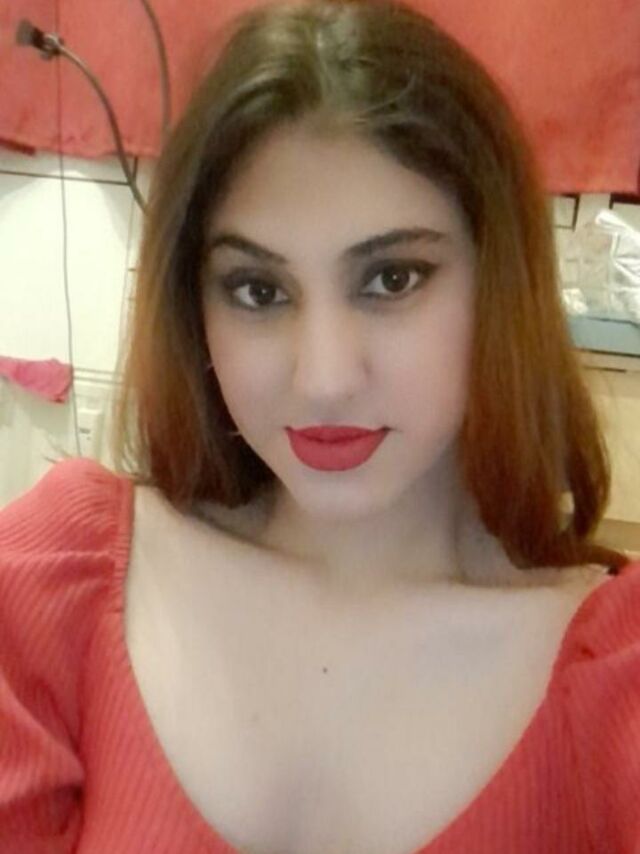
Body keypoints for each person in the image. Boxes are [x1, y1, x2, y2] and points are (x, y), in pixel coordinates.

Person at [1, 0, 638, 851]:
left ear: (499, 281)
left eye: (392, 279)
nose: (324, 378)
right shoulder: (53, 585)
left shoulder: (610, 673)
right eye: (259, 291)